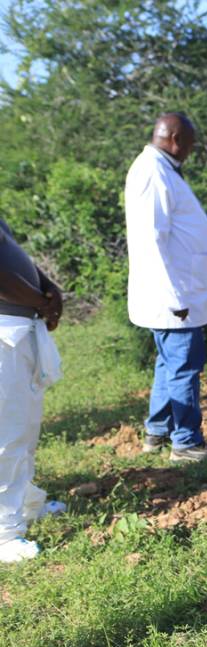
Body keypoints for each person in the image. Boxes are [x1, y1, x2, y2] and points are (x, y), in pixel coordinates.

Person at [125, 113, 207, 463]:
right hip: (172, 296)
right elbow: (151, 240)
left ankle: (157, 431)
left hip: (176, 293)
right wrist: (173, 298)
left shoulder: (161, 169)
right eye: (190, 143)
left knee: (169, 364)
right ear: (175, 139)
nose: (191, 150)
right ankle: (186, 443)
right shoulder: (152, 172)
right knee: (184, 366)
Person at [0, 218, 65, 563]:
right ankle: (4, 534)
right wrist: (42, 299)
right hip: (3, 329)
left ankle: (25, 503)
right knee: (6, 435)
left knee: (24, 427)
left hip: (17, 326)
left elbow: (10, 253)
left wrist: (49, 289)